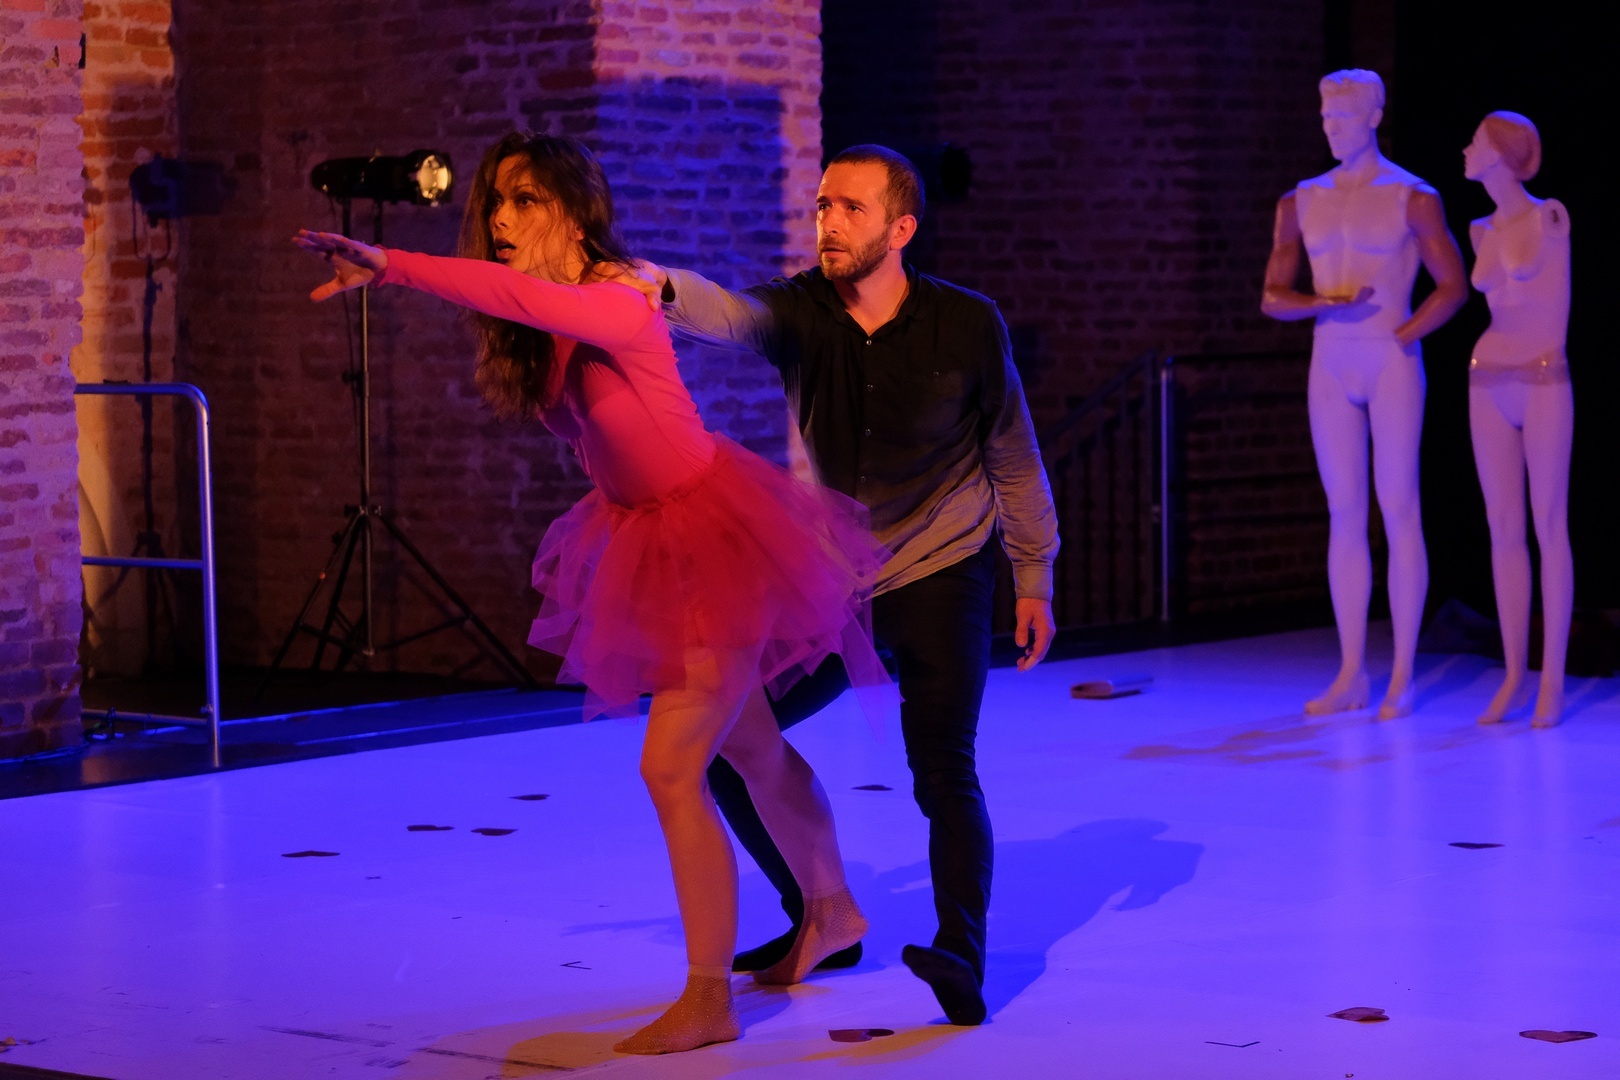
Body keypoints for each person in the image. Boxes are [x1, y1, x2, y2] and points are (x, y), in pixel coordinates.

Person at [294, 133, 895, 1055]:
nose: (501, 219)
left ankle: (708, 1000)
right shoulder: (551, 326)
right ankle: (834, 909)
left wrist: (394, 266)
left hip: (714, 539)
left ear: (576, 214)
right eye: (496, 202)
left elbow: (512, 294)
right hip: (649, 536)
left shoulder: (616, 297)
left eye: (525, 200)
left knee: (672, 768)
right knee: (752, 748)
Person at [627, 144, 1060, 1027]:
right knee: (726, 736)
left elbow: (1013, 454)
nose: (828, 222)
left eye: (851, 209)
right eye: (824, 205)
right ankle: (820, 912)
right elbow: (732, 315)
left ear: (901, 229)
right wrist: (660, 285)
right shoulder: (802, 310)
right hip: (838, 576)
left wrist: (1033, 576)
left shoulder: (968, 323)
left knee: (943, 767)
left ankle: (960, 955)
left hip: (944, 563)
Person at [1261, 69, 1467, 720]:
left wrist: (1404, 332)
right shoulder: (1301, 199)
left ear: (1373, 117)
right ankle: (1351, 670)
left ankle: (1402, 673)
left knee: (1399, 505)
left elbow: (1453, 284)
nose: (1331, 128)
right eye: (1325, 117)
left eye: (1343, 118)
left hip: (1389, 356)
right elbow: (1272, 296)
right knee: (1344, 511)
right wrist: (1321, 303)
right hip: (1330, 356)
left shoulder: (1412, 196)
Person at [1461, 111, 1573, 727]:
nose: (1466, 149)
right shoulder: (1480, 228)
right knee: (1502, 527)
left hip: (1543, 375)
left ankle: (1551, 679)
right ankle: (1513, 675)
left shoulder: (1550, 216)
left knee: (1548, 522)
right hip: (1488, 377)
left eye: (1476, 142)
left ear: (1501, 155)